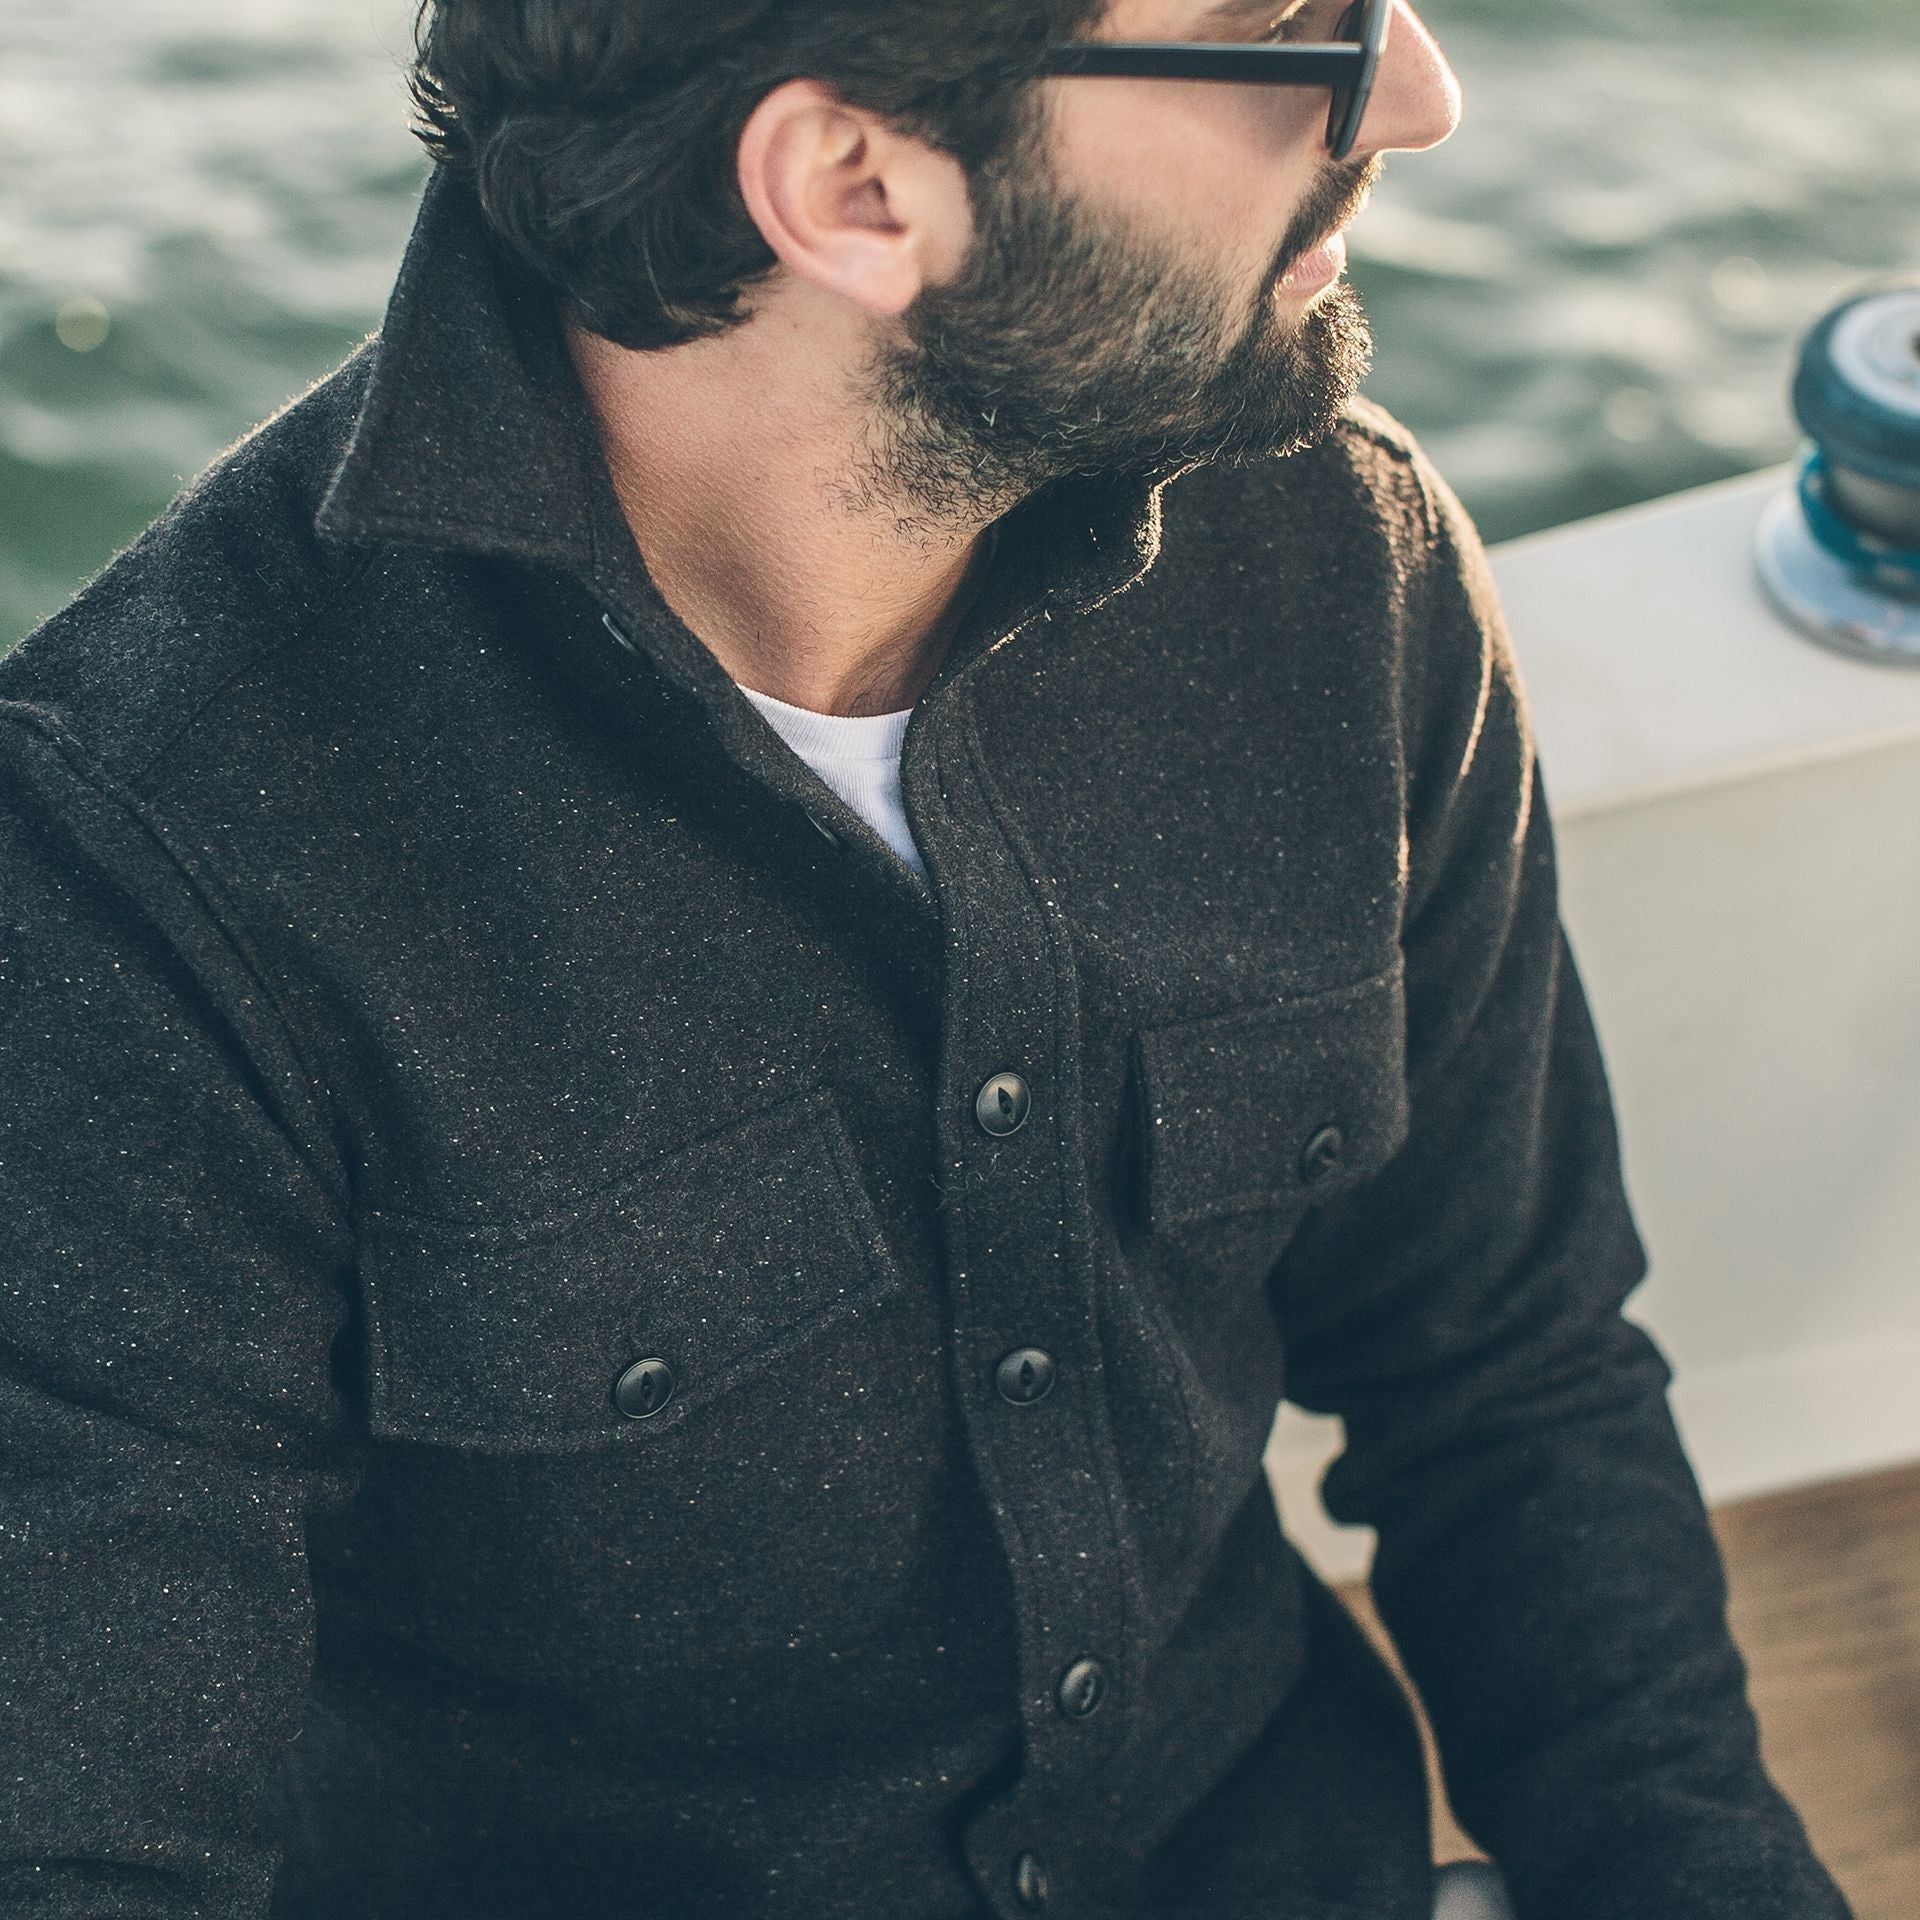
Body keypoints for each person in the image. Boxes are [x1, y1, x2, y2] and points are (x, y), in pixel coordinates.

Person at [0, 1, 1853, 1917]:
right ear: (854, 188)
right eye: (1287, 26)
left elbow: (1510, 1381)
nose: (1416, 94)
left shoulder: (1333, 555)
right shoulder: (142, 864)